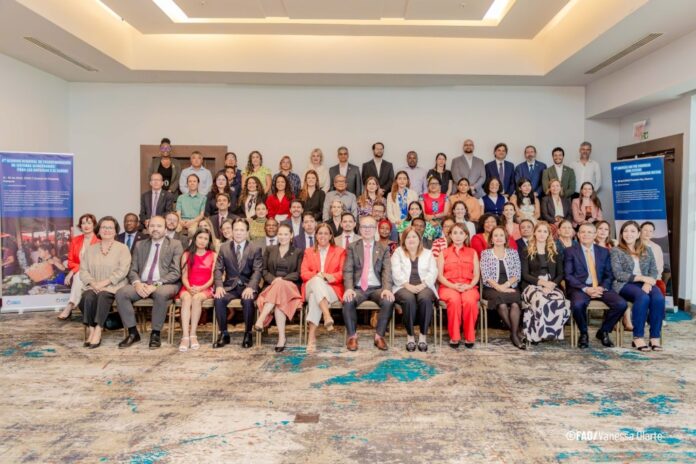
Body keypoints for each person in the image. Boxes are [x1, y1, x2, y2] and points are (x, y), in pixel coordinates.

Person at [115, 216, 183, 349]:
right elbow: (132, 269)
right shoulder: (140, 245)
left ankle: (155, 333)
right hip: (143, 283)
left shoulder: (175, 244)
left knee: (161, 294)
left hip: (166, 284)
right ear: (147, 228)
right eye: (152, 226)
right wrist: (137, 283)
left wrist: (155, 285)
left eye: (159, 226)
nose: (155, 229)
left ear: (165, 229)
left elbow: (175, 272)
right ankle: (133, 333)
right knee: (121, 293)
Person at [564, 223, 628, 349]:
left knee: (621, 304)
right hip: (580, 288)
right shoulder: (570, 251)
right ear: (578, 235)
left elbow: (609, 275)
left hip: (600, 287)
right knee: (577, 305)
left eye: (589, 232)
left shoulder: (603, 252)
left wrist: (601, 287)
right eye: (583, 232)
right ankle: (583, 333)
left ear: (595, 235)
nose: (586, 235)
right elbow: (568, 275)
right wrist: (586, 289)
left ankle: (604, 331)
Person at [342, 216, 395, 351]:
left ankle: (379, 336)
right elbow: (348, 269)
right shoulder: (353, 247)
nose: (367, 230)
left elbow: (387, 270)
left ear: (375, 229)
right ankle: (352, 336)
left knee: (388, 300)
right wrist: (349, 288)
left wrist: (387, 288)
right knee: (348, 300)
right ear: (359, 229)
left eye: (370, 227)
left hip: (377, 288)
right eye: (364, 227)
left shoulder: (383, 248)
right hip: (358, 288)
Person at [610, 221, 664, 351]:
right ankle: (638, 337)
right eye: (625, 231)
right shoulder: (616, 250)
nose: (629, 234)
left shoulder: (647, 249)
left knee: (658, 298)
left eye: (632, 231)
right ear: (621, 234)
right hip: (624, 284)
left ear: (638, 234)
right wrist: (641, 278)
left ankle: (654, 337)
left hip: (646, 283)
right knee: (643, 297)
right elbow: (618, 274)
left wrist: (647, 282)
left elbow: (653, 270)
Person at [79, 216, 131, 348]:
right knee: (87, 297)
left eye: (110, 227)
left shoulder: (123, 248)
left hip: (114, 286)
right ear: (98, 230)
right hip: (93, 286)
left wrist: (103, 284)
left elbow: (122, 271)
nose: (107, 230)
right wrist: (93, 283)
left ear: (115, 231)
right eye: (103, 227)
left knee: (102, 296)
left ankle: (98, 329)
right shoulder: (90, 249)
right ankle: (91, 328)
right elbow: (83, 270)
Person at [213, 218, 263, 349]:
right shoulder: (224, 248)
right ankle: (224, 333)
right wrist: (219, 286)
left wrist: (251, 287)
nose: (238, 233)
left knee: (248, 300)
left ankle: (248, 333)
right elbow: (218, 269)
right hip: (230, 286)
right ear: (232, 231)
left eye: (242, 230)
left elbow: (258, 270)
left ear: (247, 232)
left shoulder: (255, 248)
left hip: (247, 285)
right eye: (236, 230)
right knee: (218, 299)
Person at [253, 224, 304, 352]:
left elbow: (298, 273)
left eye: (286, 234)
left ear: (291, 235)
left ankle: (261, 319)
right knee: (279, 301)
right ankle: (282, 338)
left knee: (280, 286)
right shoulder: (270, 249)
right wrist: (274, 280)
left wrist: (282, 280)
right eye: (280, 234)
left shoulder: (298, 252)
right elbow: (264, 270)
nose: (282, 237)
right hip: (271, 285)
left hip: (290, 286)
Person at [520, 221, 570, 343]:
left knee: (558, 299)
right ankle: (536, 334)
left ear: (548, 234)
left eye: (545, 231)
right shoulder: (526, 251)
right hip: (532, 285)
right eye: (539, 231)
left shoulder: (555, 251)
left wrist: (551, 285)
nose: (542, 234)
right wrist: (542, 283)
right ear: (534, 233)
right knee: (540, 300)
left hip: (552, 285)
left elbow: (560, 274)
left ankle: (549, 333)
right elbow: (525, 275)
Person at [301, 223, 346, 353]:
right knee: (316, 281)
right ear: (316, 235)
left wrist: (331, 276)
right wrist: (318, 275)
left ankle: (311, 337)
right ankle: (327, 315)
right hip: (311, 285)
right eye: (320, 233)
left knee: (315, 297)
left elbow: (343, 272)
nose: (323, 236)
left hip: (331, 287)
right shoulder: (308, 251)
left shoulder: (340, 251)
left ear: (331, 236)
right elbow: (303, 273)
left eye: (326, 233)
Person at [392, 227, 438, 352]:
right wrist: (408, 286)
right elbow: (395, 272)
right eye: (408, 237)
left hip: (424, 285)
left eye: (414, 236)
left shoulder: (428, 253)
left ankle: (423, 336)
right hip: (403, 286)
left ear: (419, 239)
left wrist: (423, 285)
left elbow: (433, 272)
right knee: (408, 299)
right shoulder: (398, 252)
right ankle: (410, 336)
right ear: (404, 240)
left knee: (425, 299)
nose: (411, 239)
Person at [480, 226, 525, 349]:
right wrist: (500, 288)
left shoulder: (513, 253)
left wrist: (505, 286)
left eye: (501, 235)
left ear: (506, 239)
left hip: (510, 285)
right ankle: (516, 333)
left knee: (515, 304)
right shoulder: (485, 254)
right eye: (495, 235)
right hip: (491, 288)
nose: (498, 238)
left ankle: (513, 334)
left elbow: (517, 273)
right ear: (491, 239)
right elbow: (486, 275)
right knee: (502, 304)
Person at [437, 223, 480, 349]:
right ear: (450, 235)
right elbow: (440, 276)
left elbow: (476, 275)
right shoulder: (443, 253)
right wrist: (453, 286)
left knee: (469, 301)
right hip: (448, 287)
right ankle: (454, 336)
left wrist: (469, 286)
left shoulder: (472, 252)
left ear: (466, 235)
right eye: (455, 233)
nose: (458, 236)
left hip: (468, 286)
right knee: (454, 300)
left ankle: (469, 336)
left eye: (461, 233)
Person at [177, 228, 216, 352]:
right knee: (187, 298)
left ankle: (193, 334)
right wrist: (189, 288)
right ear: (195, 238)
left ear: (209, 241)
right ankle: (185, 336)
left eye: (206, 239)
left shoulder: (213, 255)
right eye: (200, 237)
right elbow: (184, 276)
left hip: (206, 288)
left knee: (197, 298)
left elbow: (213, 278)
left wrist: (200, 288)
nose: (202, 241)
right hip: (188, 286)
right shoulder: (186, 254)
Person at [58, 214, 100, 321]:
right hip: (80, 274)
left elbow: (94, 264)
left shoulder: (99, 242)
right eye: (83, 223)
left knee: (78, 275)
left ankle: (70, 305)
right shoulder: (75, 240)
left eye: (89, 223)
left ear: (94, 225)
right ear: (80, 226)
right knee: (79, 275)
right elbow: (70, 262)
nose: (86, 225)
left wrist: (72, 272)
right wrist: (75, 270)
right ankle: (72, 304)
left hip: (95, 273)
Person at [640, 221, 666, 295]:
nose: (648, 233)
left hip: (653, 278)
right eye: (645, 230)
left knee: (661, 287)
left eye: (650, 231)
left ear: (653, 233)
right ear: (640, 231)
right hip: (638, 277)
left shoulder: (657, 248)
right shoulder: (633, 245)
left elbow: (659, 267)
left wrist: (650, 281)